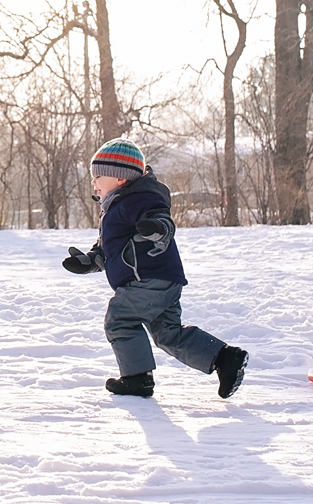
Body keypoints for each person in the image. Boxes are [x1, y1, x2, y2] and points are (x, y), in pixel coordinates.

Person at [62, 137, 248, 399]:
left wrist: (156, 228)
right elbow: (108, 249)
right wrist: (89, 262)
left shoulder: (140, 199)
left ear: (120, 178)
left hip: (148, 281)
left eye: (98, 176)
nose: (94, 182)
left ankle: (137, 378)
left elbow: (162, 220)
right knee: (167, 334)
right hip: (162, 280)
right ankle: (225, 358)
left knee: (119, 319)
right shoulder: (116, 206)